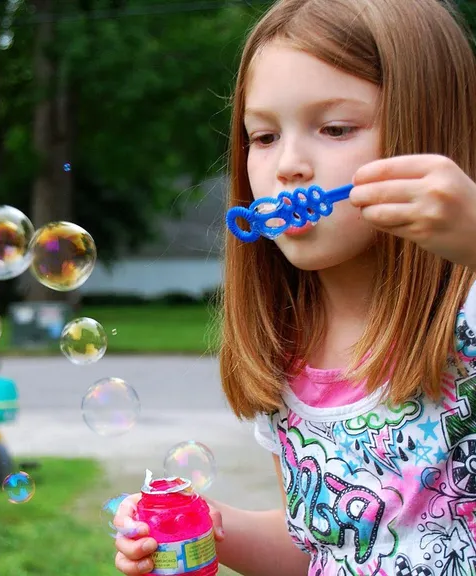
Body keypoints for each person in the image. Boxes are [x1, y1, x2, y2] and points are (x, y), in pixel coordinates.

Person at [113, 0, 476, 574]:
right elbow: (318, 547)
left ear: (429, 131)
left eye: (335, 129)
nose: (288, 166)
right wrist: (206, 529)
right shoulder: (287, 353)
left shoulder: (467, 313)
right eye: (262, 136)